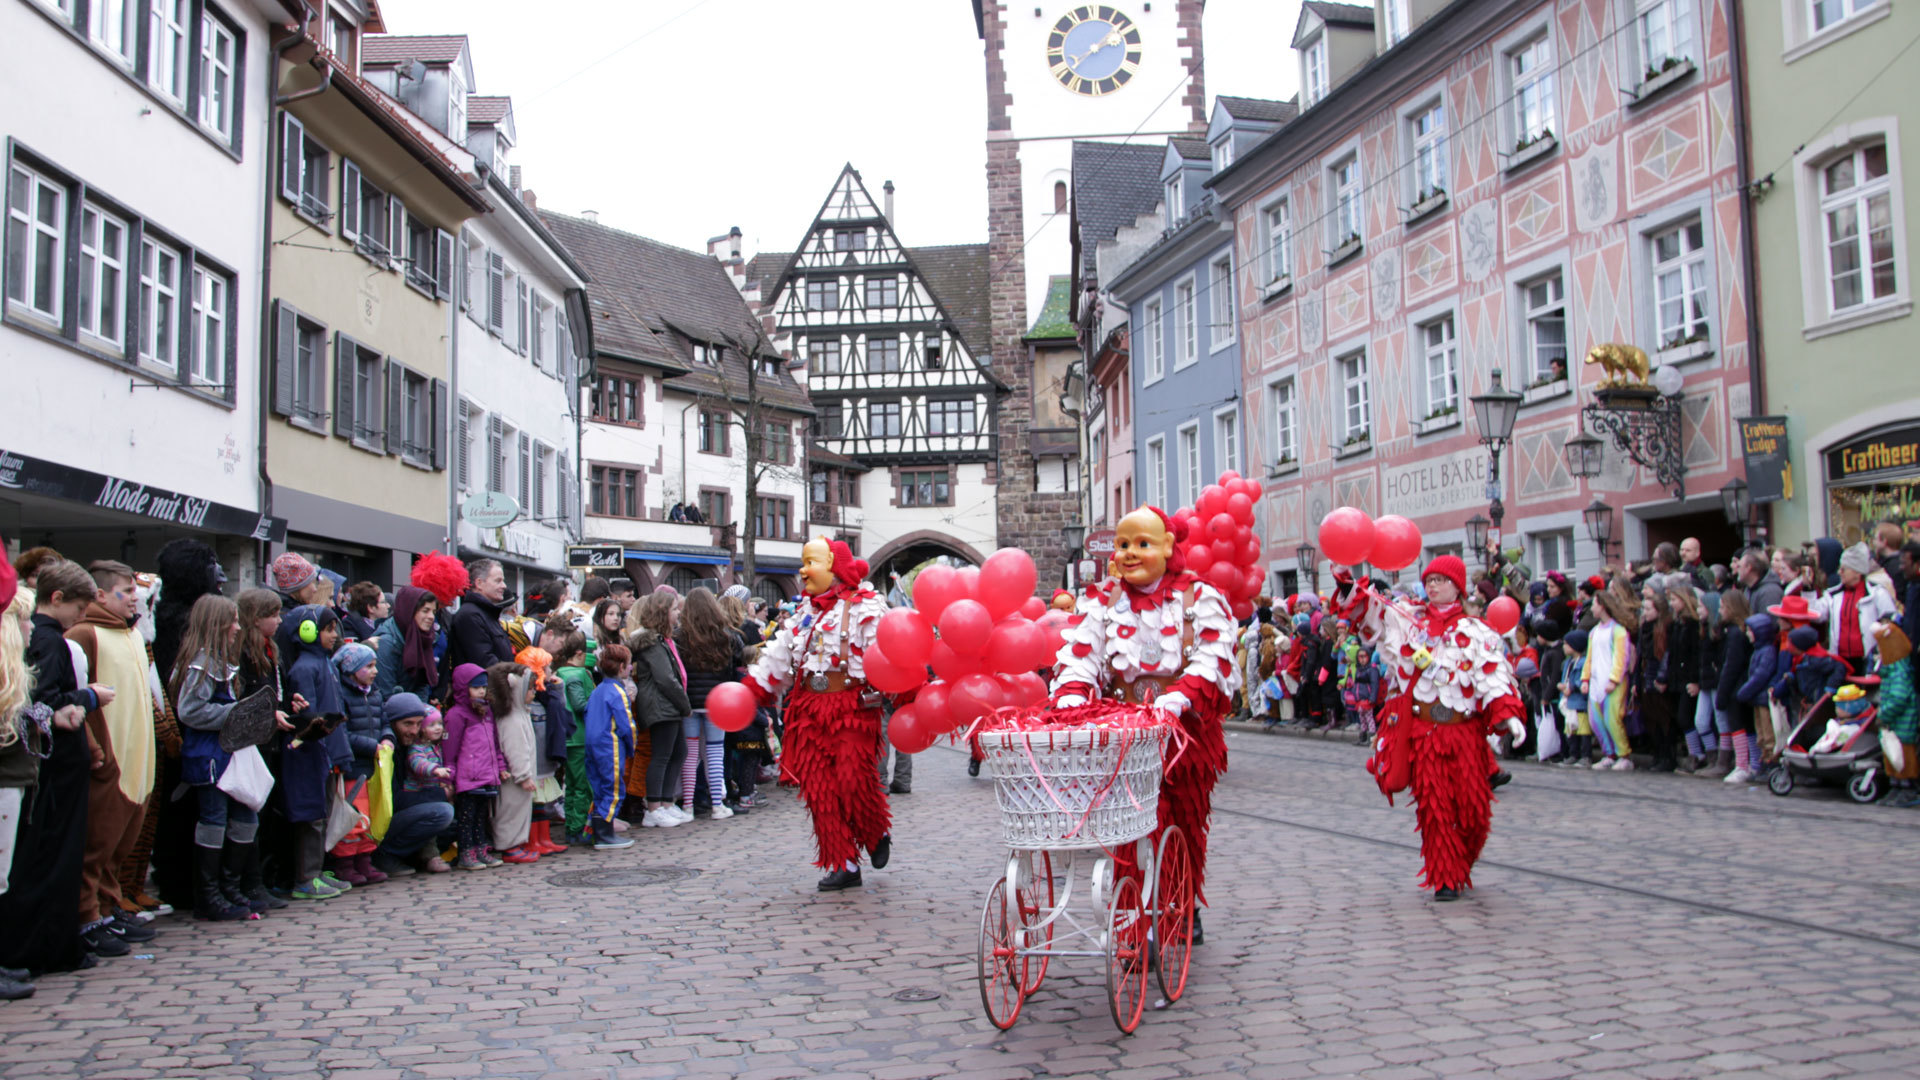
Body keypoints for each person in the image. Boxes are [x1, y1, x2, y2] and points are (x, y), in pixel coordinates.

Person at [1051, 507, 1237, 928]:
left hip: (1184, 735)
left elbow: (1214, 654)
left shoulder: (1199, 597)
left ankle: (1182, 903)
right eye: (1123, 545)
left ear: (1168, 547)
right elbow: (1082, 654)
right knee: (1130, 824)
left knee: (1184, 818)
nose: (1130, 553)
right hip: (1127, 731)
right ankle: (1135, 912)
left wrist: (1182, 696)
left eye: (1142, 544)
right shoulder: (1103, 599)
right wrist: (1072, 692)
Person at [1333, 554, 1523, 902]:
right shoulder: (1409, 619)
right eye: (1429, 580)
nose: (1433, 586)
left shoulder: (1477, 631)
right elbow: (1369, 613)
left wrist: (1508, 715)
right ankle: (1445, 877)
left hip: (1464, 732)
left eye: (1441, 580)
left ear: (1457, 587)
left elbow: (1493, 675)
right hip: (1424, 731)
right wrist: (1348, 586)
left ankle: (1461, 860)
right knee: (1434, 808)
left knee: (1474, 810)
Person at [742, 537, 895, 891]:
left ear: (834, 568)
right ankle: (843, 863)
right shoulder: (803, 614)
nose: (803, 570)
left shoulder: (867, 606)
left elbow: (889, 653)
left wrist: (908, 693)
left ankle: (874, 832)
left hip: (852, 709)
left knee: (853, 780)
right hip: (807, 712)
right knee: (819, 790)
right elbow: (778, 658)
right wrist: (752, 691)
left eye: (810, 562)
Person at [0, 562, 104, 974]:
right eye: (78, 608)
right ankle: (42, 948)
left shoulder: (47, 639)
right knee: (48, 861)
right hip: (51, 771)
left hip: (50, 768)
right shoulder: (48, 640)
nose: (81, 617)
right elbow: (41, 702)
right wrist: (87, 697)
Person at [64, 561, 160, 954]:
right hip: (109, 759)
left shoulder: (133, 634)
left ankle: (108, 906)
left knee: (120, 846)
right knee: (97, 846)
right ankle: (88, 915)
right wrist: (95, 749)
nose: (135, 598)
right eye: (126, 591)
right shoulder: (84, 633)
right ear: (100, 595)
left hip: (138, 758)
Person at [167, 593, 264, 922]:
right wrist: (237, 713)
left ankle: (229, 888)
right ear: (217, 624)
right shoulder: (202, 662)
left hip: (228, 753)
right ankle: (208, 896)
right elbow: (190, 710)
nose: (237, 627)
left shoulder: (218, 660)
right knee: (214, 820)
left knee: (246, 818)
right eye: (232, 621)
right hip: (208, 755)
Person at [277, 605, 347, 901]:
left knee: (324, 812)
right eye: (328, 630)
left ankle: (318, 870)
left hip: (326, 752)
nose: (333, 635)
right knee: (311, 814)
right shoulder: (305, 668)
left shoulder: (325, 663)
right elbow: (309, 716)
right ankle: (306, 876)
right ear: (308, 632)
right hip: (310, 752)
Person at [678, 588, 746, 819]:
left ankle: (688, 805)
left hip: (689, 702)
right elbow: (734, 667)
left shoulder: (680, 637)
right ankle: (717, 804)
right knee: (715, 752)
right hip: (716, 701)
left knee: (690, 755)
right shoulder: (725, 636)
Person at [628, 593, 694, 828]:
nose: (678, 613)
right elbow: (665, 678)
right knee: (662, 755)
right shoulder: (652, 643)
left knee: (678, 752)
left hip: (669, 705)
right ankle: (654, 807)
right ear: (662, 613)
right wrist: (684, 704)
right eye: (674, 609)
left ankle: (666, 802)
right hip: (660, 704)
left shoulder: (663, 640)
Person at [374, 694, 455, 875]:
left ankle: (421, 856)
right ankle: (385, 855)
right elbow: (395, 800)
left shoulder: (416, 746)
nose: (414, 730)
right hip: (382, 820)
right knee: (442, 813)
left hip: (402, 811)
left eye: (418, 724)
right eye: (408, 724)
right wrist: (441, 794)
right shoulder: (389, 749)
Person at [328, 642, 386, 886]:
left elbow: (384, 721)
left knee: (369, 815)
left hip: (373, 766)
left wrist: (387, 738)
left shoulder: (374, 693)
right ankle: (345, 863)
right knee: (352, 816)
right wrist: (372, 746)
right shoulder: (342, 695)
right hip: (353, 765)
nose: (374, 671)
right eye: (369, 666)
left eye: (375, 665)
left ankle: (365, 859)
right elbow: (344, 733)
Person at [441, 664, 503, 870]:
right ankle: (466, 852)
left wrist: (500, 766)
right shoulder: (456, 715)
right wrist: (448, 778)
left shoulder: (487, 712)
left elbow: (495, 744)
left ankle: (481, 849)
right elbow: (450, 750)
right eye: (476, 687)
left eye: (484, 687)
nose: (481, 691)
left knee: (481, 816)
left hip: (486, 774)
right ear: (463, 688)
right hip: (468, 777)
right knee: (467, 817)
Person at [582, 644, 637, 849]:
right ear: (621, 667)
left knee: (599, 788)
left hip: (592, 744)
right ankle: (604, 832)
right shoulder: (617, 691)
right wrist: (631, 746)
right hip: (609, 746)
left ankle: (596, 830)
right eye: (629, 664)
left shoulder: (598, 690)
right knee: (613, 789)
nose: (630, 668)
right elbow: (627, 724)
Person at [1814, 543, 1898, 676]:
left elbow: (1890, 624)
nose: (1839, 572)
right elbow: (1816, 615)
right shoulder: (1833, 594)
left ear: (1857, 572)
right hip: (1840, 661)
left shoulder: (1877, 593)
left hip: (1868, 660)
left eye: (1843, 569)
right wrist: (1808, 590)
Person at [489, 662, 540, 863]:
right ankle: (509, 845)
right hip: (514, 780)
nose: (534, 692)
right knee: (510, 811)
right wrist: (523, 775)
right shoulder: (512, 719)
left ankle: (516, 843)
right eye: (530, 688)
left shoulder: (520, 714)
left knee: (520, 810)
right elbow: (515, 751)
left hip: (520, 779)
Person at [1584, 586, 1637, 770]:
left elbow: (1621, 658)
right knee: (1596, 721)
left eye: (1594, 604)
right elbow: (1589, 658)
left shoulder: (1618, 631)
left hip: (1612, 683)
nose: (1592, 608)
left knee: (1612, 719)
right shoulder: (1594, 632)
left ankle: (1624, 755)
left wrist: (1614, 679)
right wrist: (1585, 679)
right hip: (1596, 682)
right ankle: (1609, 753)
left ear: (1603, 606)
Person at [1711, 590, 1756, 781]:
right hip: (1740, 684)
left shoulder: (1736, 634)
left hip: (1737, 685)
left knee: (1738, 724)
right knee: (1746, 725)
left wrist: (1723, 691)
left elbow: (1732, 665)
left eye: (1723, 607)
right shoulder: (1735, 631)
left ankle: (1743, 765)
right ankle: (1753, 764)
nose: (1720, 611)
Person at [374, 586, 445, 702]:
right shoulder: (386, 643)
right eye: (425, 611)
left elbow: (422, 682)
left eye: (433, 612)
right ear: (409, 611)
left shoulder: (423, 637)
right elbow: (386, 693)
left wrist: (420, 708)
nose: (431, 617)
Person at [448, 558, 516, 672]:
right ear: (479, 583)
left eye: (503, 581)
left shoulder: (487, 614)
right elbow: (485, 662)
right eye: (498, 581)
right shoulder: (470, 616)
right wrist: (514, 674)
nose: (504, 586)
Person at [1556, 630, 1592, 767]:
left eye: (1566, 644)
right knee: (1570, 729)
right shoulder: (1568, 662)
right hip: (1569, 701)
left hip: (1579, 701)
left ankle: (1585, 755)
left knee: (1583, 730)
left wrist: (1571, 687)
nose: (1564, 646)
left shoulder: (1582, 662)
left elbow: (1582, 679)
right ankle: (1573, 754)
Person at [1739, 550, 1785, 617]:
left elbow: (1770, 621)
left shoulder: (1770, 592)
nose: (1737, 569)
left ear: (1748, 567)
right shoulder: (1749, 588)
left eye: (1739, 566)